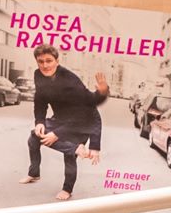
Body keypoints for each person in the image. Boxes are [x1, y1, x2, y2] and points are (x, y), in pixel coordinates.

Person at [23, 46, 108, 198]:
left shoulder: (70, 79)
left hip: (82, 121)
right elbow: (40, 100)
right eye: (40, 62)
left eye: (49, 61)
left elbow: (88, 108)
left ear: (57, 61)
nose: (45, 65)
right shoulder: (38, 75)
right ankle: (34, 173)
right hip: (62, 118)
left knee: (70, 156)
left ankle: (67, 190)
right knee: (34, 137)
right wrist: (40, 121)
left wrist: (102, 93)